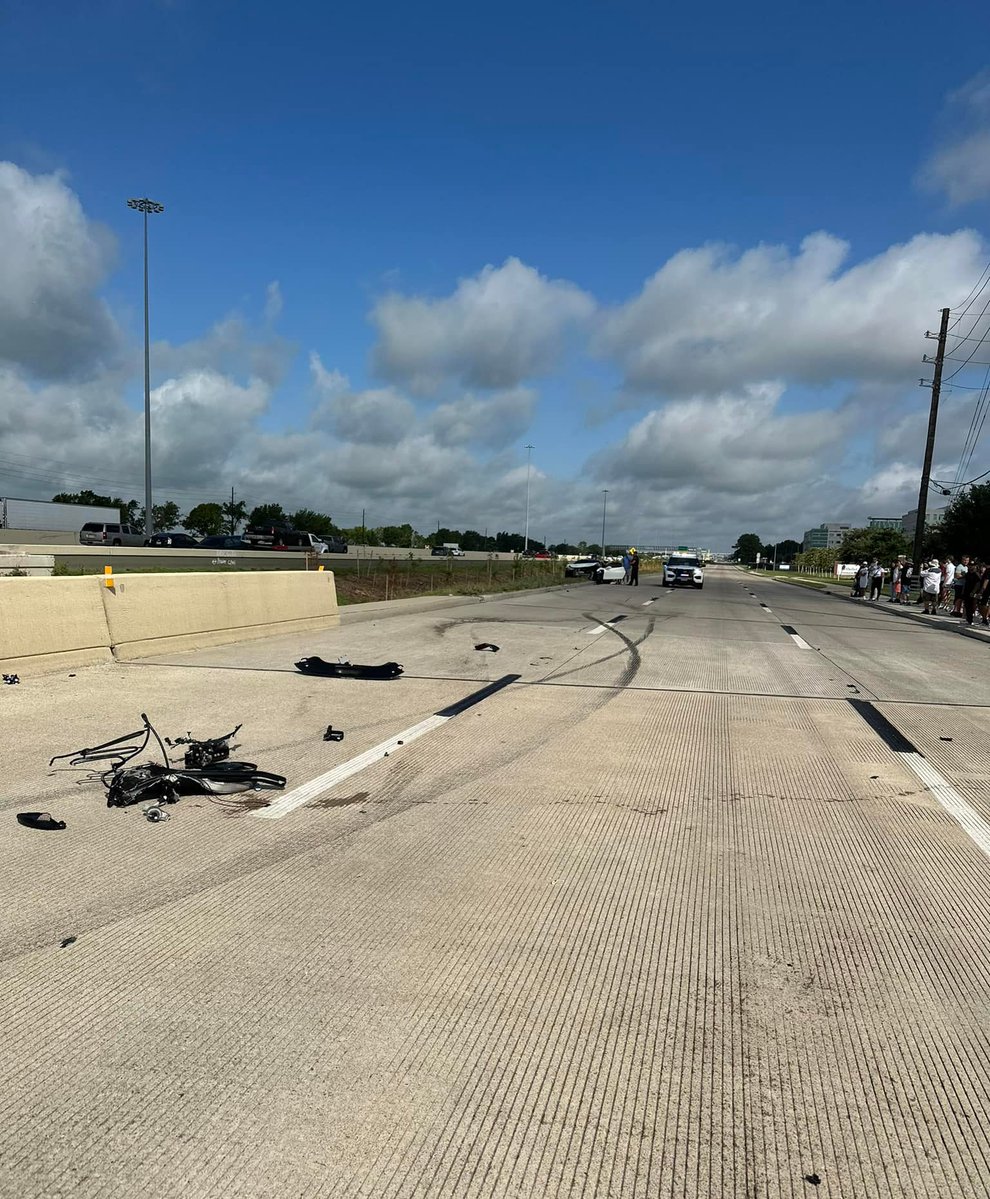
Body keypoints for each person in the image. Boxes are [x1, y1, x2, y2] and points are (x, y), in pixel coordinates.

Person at [962, 559, 982, 625]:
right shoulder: (968, 574)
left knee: (972, 606)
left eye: (973, 565)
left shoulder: (976, 574)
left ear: (975, 566)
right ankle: (968, 619)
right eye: (970, 565)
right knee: (967, 605)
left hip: (973, 592)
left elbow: (978, 584)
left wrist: (973, 592)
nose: (971, 567)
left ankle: (971, 619)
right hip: (966, 591)